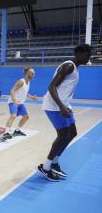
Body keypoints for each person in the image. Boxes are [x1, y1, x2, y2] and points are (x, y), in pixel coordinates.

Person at [38, 44, 91, 181]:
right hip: (54, 106)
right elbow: (51, 86)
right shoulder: (69, 66)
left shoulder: (75, 68)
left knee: (72, 133)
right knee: (62, 136)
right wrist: (61, 106)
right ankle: (46, 166)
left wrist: (64, 105)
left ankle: (54, 162)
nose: (89, 57)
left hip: (64, 105)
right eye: (87, 54)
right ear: (79, 53)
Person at [3, 67, 38, 139]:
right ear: (27, 73)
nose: (33, 74)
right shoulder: (21, 81)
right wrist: (14, 100)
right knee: (13, 116)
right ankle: (6, 133)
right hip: (13, 102)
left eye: (34, 73)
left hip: (21, 104)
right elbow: (12, 90)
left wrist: (32, 97)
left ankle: (17, 130)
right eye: (32, 73)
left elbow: (25, 92)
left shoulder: (28, 82)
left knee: (26, 117)